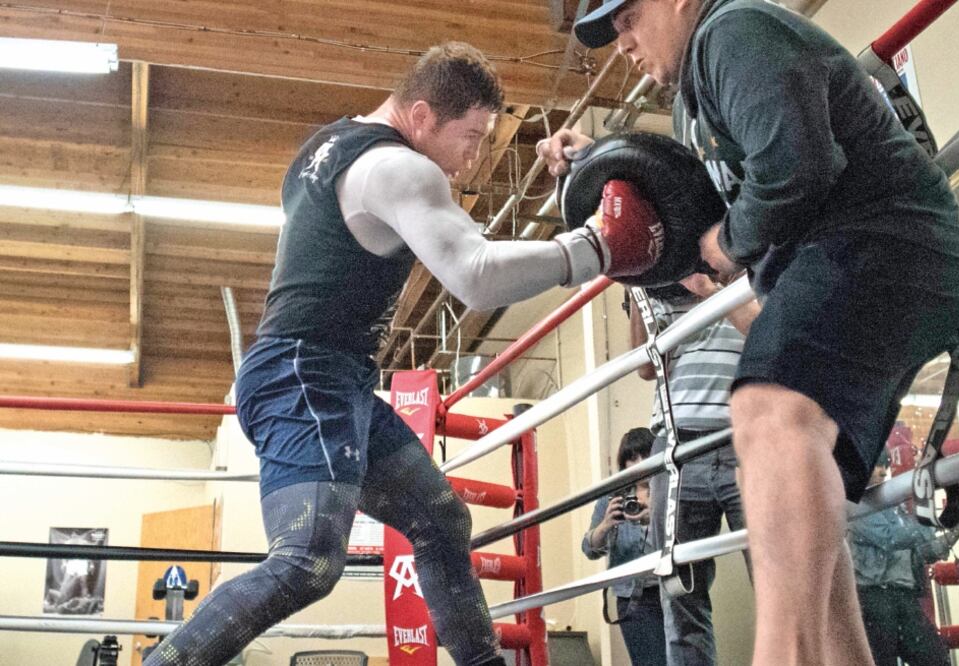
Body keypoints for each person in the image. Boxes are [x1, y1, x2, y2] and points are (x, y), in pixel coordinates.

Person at [144, 41, 663, 666]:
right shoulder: (401, 169)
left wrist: (570, 187)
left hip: (328, 377)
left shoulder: (328, 146)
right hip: (304, 373)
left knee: (440, 520)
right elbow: (476, 274)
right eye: (470, 137)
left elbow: (467, 244)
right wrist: (597, 249)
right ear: (421, 117)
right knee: (307, 560)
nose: (472, 158)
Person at [538, 1, 959, 663]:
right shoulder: (696, 97)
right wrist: (597, 164)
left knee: (764, 410)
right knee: (805, 474)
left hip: (879, 245)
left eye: (628, 17)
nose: (622, 44)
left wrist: (732, 239)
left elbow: (792, 169)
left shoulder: (733, 32)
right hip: (863, 260)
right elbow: (706, 211)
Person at [632, 275, 757, 664]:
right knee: (681, 596)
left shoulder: (756, 268)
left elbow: (767, 333)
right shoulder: (666, 281)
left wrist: (711, 292)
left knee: (781, 582)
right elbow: (646, 366)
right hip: (676, 443)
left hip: (747, 438)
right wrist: (634, 284)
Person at [849, 451, 959, 666]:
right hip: (874, 598)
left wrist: (954, 533)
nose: (883, 471)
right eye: (878, 465)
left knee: (936, 660)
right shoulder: (856, 504)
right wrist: (936, 522)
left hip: (903, 598)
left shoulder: (893, 505)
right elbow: (892, 539)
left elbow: (921, 552)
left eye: (884, 465)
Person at [582, 427, 665, 665]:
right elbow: (589, 549)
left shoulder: (669, 489)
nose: (639, 464)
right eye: (632, 458)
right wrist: (606, 524)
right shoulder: (613, 497)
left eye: (644, 455)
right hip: (633, 597)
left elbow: (684, 537)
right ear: (624, 462)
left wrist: (654, 514)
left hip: (670, 589)